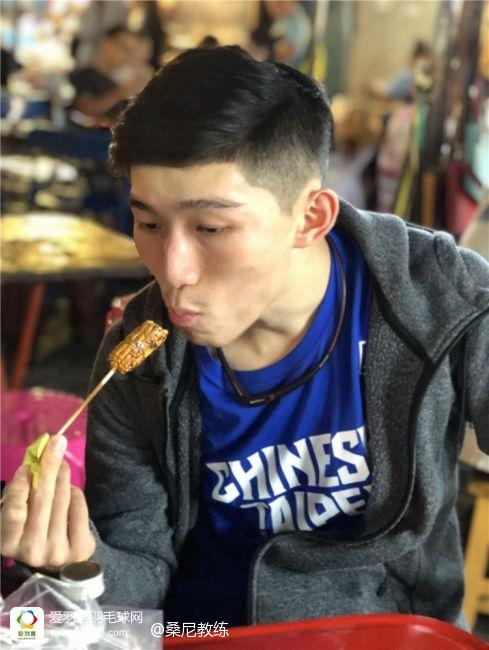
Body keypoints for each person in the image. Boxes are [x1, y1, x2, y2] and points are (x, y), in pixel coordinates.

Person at [1, 46, 488, 631]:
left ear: (310, 218)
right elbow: (143, 584)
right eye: (149, 223)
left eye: (211, 227)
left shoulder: (440, 298)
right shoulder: (140, 364)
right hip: (204, 632)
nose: (173, 270)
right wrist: (79, 563)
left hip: (390, 632)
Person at [69, 26, 152, 126]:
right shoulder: (85, 75)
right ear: (107, 44)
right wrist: (121, 92)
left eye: (132, 51)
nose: (127, 55)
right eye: (125, 48)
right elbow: (84, 110)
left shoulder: (119, 80)